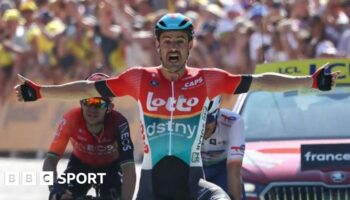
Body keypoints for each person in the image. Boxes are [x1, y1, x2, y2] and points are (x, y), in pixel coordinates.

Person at [16, 13, 339, 200]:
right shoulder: (138, 78)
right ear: (157, 46)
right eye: (167, 41)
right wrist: (40, 92)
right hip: (152, 186)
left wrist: (310, 82)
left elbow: (261, 81)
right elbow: (87, 88)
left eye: (180, 42)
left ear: (189, 46)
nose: (173, 47)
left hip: (193, 183)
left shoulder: (209, 79)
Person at [42, 73, 136, 200]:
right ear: (81, 103)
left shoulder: (119, 123)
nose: (92, 109)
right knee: (58, 196)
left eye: (99, 103)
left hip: (111, 169)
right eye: (88, 101)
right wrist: (54, 188)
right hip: (80, 166)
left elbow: (129, 169)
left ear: (110, 107)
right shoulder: (70, 119)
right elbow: (50, 161)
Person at [201, 96, 245, 200]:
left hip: (222, 168)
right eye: (199, 122)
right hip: (197, 167)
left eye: (208, 120)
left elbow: (234, 171)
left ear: (217, 115)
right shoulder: (186, 123)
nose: (203, 127)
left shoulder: (233, 122)